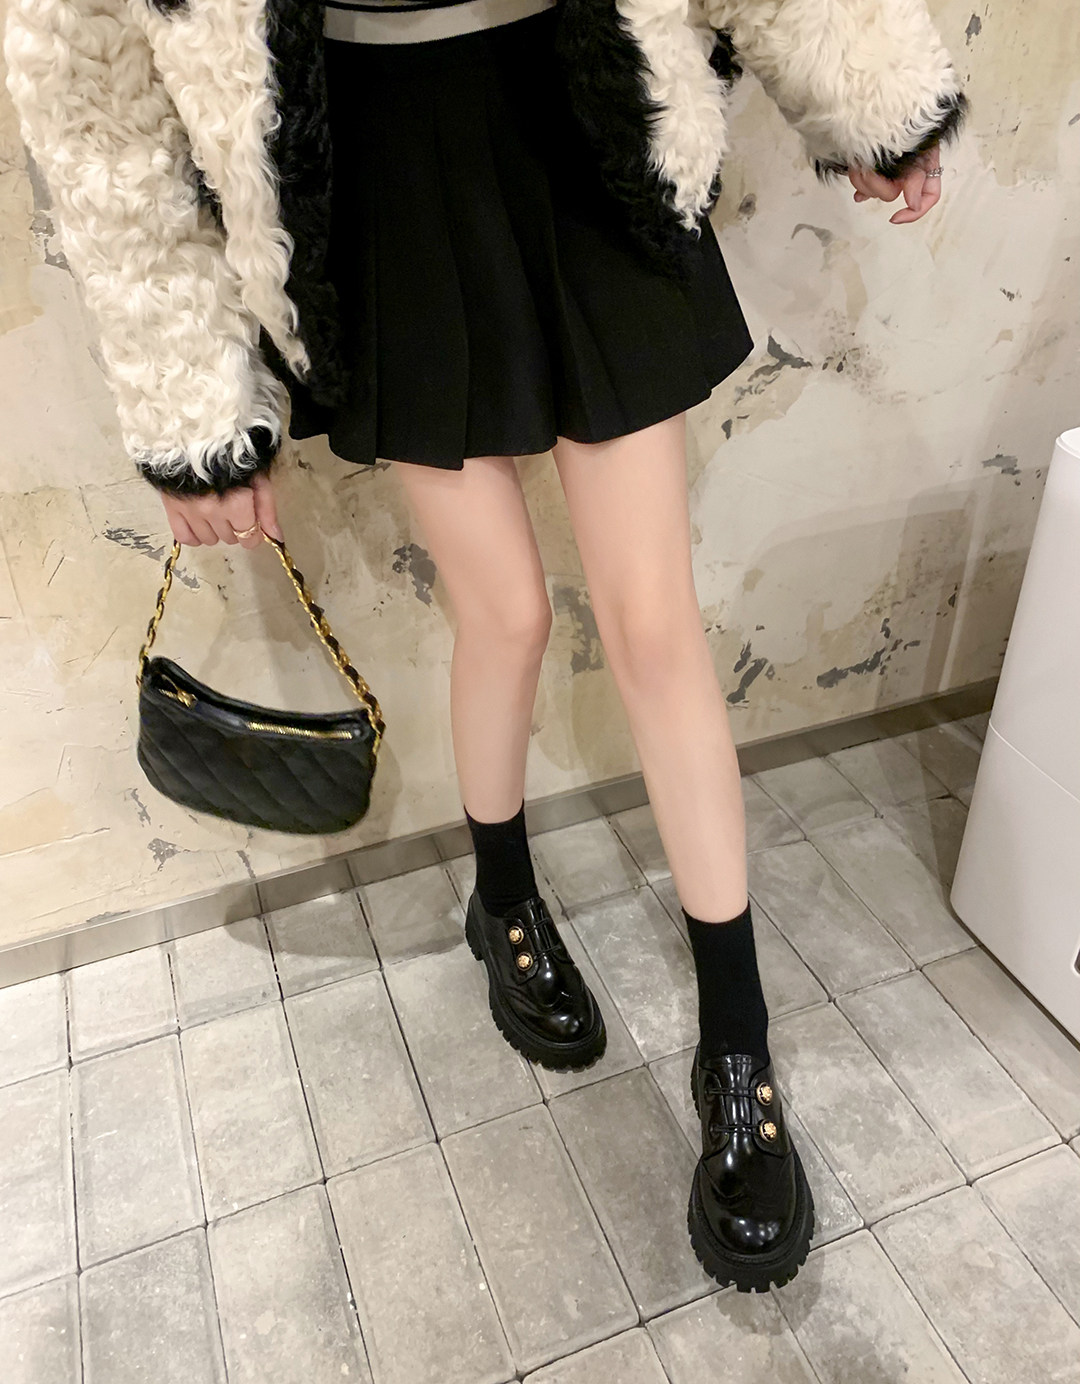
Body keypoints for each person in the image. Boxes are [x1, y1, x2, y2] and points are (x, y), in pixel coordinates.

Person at [5, 0, 967, 1292]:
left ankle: (737, 1043)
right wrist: (187, 397)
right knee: (504, 613)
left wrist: (874, 92)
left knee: (653, 621)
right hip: (379, 156)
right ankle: (501, 896)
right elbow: (90, 80)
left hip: (581, 96)